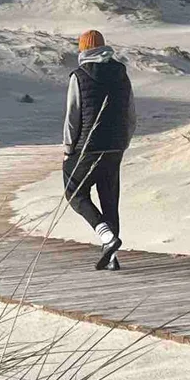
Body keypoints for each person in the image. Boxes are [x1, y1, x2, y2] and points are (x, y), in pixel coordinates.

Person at [62, 28, 133, 269]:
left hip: (88, 147)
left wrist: (68, 148)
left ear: (83, 50)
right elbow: (130, 113)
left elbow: (73, 116)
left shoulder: (79, 76)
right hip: (116, 146)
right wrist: (123, 142)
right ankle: (112, 258)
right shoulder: (122, 74)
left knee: (75, 193)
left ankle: (106, 237)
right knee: (109, 198)